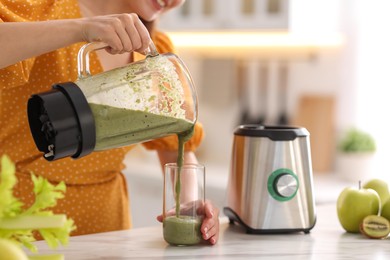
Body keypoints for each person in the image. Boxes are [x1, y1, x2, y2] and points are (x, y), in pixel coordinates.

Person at [0, 0, 219, 245]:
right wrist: (82, 29)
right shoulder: (41, 8)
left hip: (107, 231)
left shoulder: (154, 52)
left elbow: (178, 146)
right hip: (18, 220)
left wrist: (191, 205)